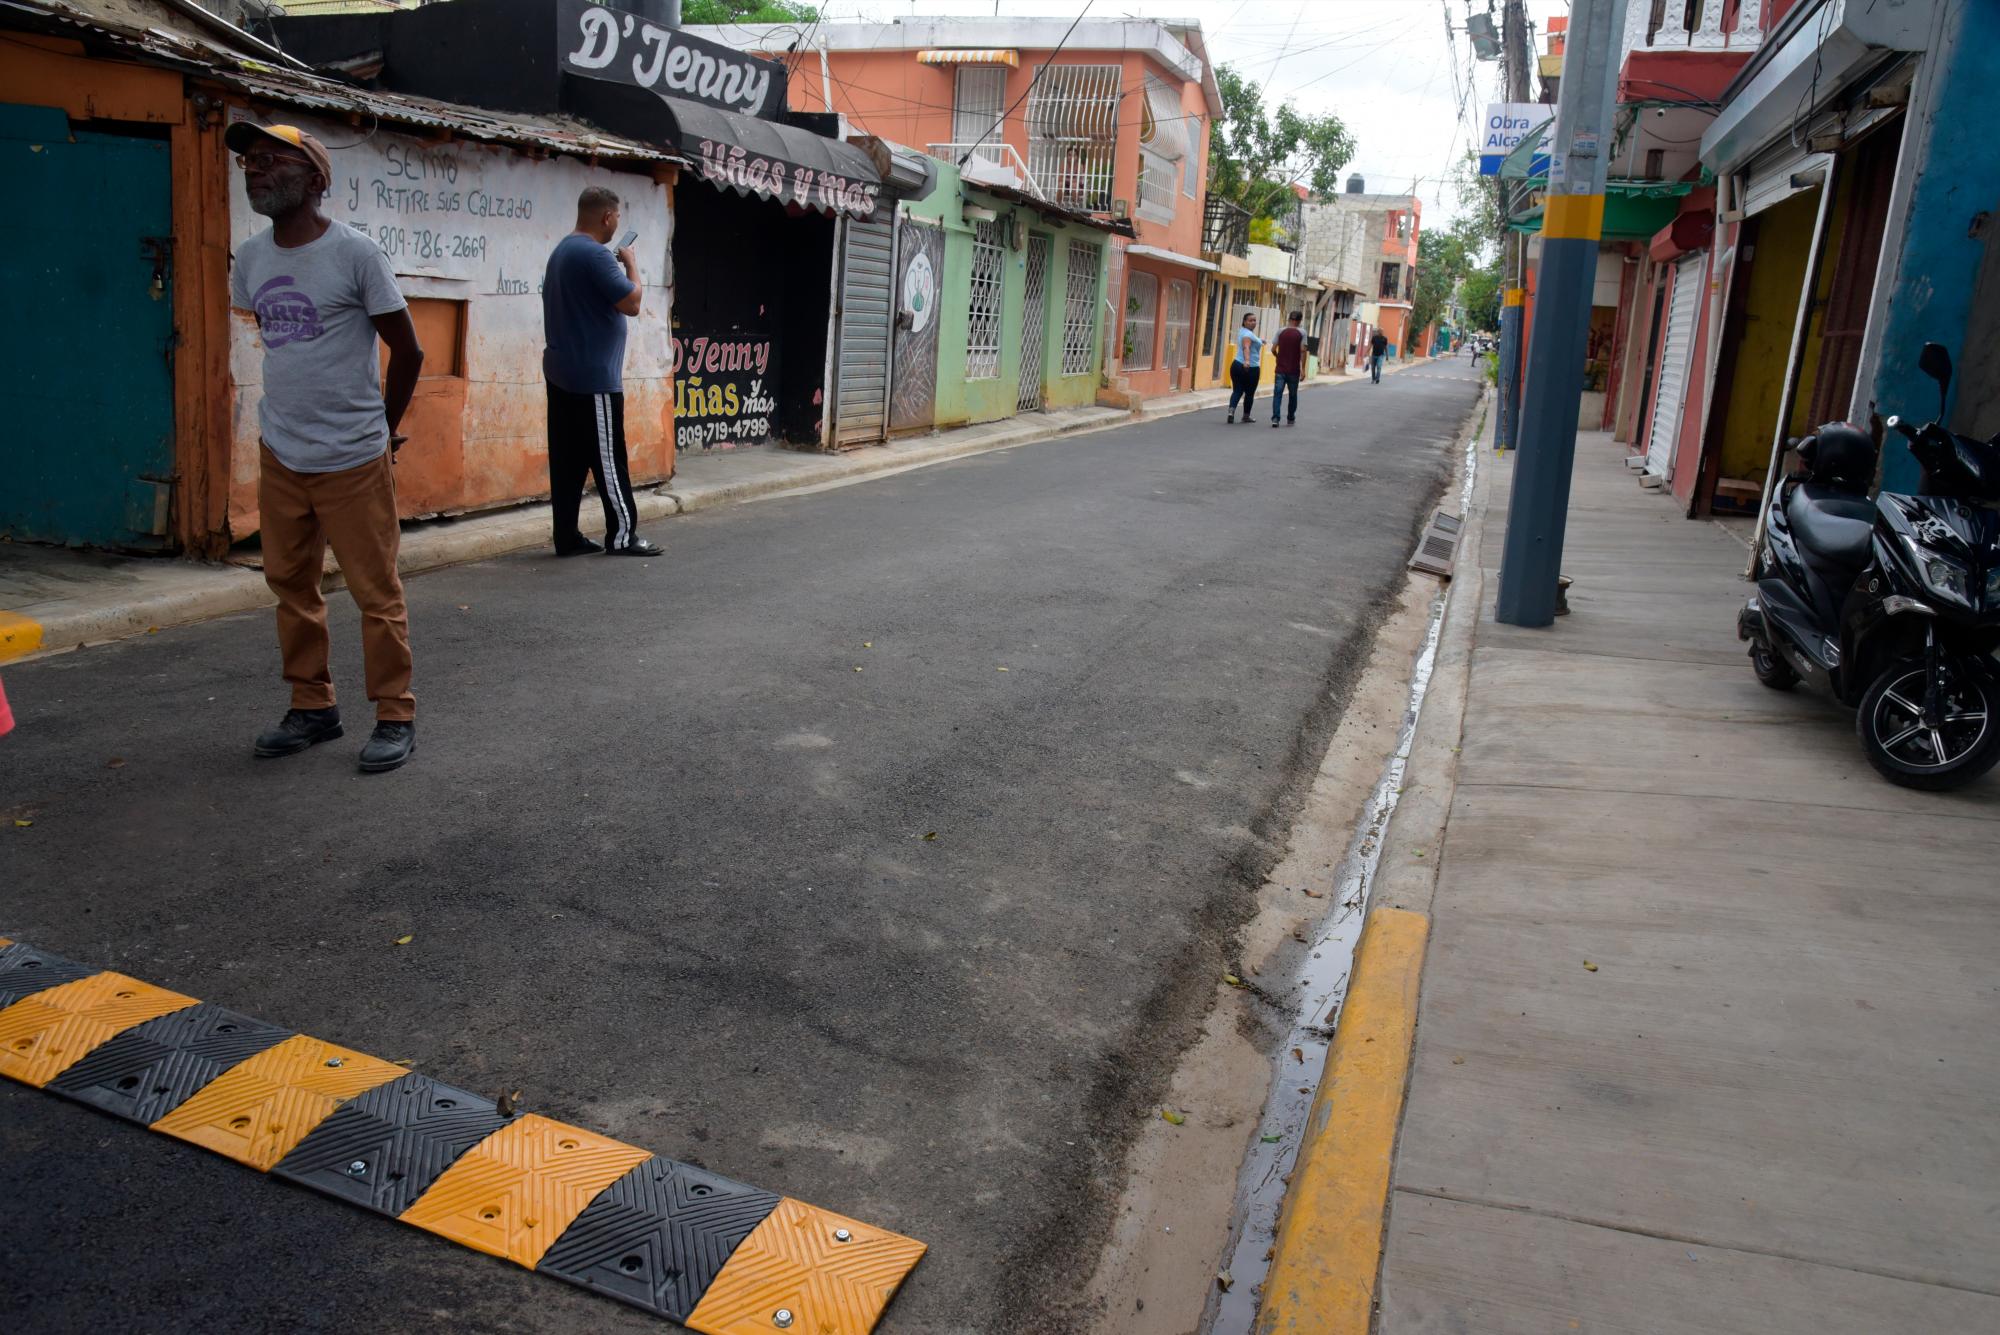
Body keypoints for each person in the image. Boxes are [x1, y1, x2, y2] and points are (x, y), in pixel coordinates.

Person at [226, 122, 424, 774]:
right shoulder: (250, 259)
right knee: (290, 585)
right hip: (282, 451)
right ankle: (313, 706)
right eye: (250, 162)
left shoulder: (356, 254)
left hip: (352, 456)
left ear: (315, 180)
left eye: (271, 160)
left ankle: (395, 714)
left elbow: (409, 350)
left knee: (375, 592)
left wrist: (382, 431)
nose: (256, 170)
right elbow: (281, 342)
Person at [542, 186, 662, 559]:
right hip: (593, 378)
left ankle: (566, 536)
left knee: (569, 460)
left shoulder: (562, 250)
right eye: (617, 218)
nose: (617, 225)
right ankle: (623, 536)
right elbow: (632, 302)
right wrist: (631, 263)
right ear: (607, 217)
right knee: (609, 458)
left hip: (562, 373)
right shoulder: (595, 255)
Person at [1226, 311, 1264, 424]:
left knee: (1237, 390)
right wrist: (1247, 361)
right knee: (1249, 393)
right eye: (1250, 320)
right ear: (1244, 322)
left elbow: (1251, 342)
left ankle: (1231, 411)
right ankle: (1246, 416)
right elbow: (1246, 347)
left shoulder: (1242, 331)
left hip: (1236, 365)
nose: (1253, 322)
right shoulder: (1248, 334)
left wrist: (1260, 341)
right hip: (1250, 367)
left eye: (1254, 320)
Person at [1270, 311, 1306, 428]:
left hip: (1280, 369)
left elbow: (1273, 349)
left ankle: (1275, 418)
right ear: (1299, 321)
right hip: (1293, 370)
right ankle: (1290, 418)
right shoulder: (1302, 332)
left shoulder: (1280, 331)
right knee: (1293, 395)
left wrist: (1277, 357)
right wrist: (1303, 369)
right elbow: (1303, 351)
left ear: (1289, 319)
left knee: (1277, 394)